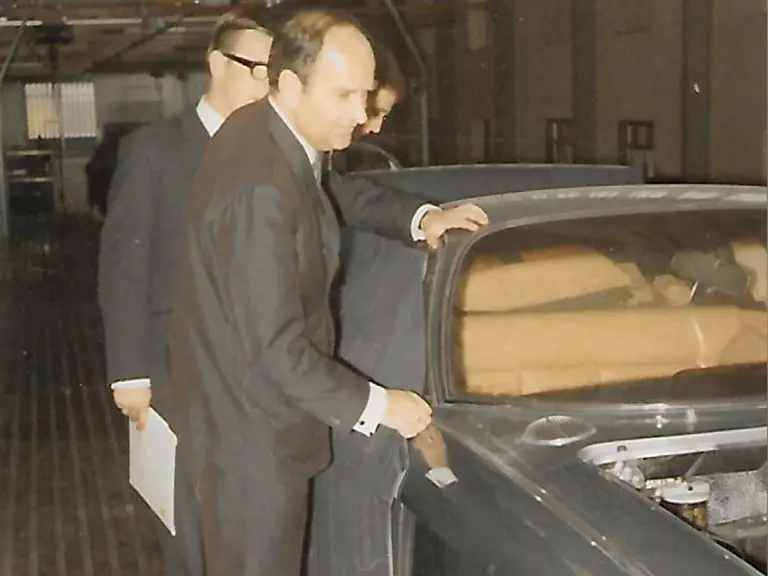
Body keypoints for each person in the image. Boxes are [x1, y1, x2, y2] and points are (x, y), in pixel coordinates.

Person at [166, 8, 488, 576]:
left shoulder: (264, 132)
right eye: (344, 97)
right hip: (253, 447)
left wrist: (422, 217)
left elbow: (326, 192)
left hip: (239, 425)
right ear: (290, 84)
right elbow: (274, 350)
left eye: (364, 96)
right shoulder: (258, 189)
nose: (361, 115)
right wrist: (381, 405)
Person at [97, 11, 274, 576]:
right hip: (177, 375)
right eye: (256, 70)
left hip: (257, 377)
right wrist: (129, 373)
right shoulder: (154, 151)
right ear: (217, 64)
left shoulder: (276, 151)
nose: (266, 85)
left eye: (277, 73)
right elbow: (123, 266)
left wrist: (419, 216)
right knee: (191, 530)